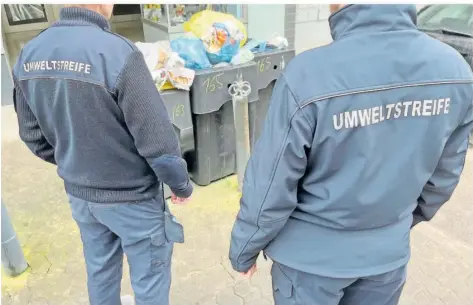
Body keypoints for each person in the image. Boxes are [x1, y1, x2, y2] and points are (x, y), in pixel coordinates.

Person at [229, 4, 473, 305]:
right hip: (386, 258)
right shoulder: (456, 72)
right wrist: (390, 228)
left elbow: (271, 182)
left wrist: (244, 248)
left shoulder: (308, 75)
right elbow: (443, 178)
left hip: (310, 265)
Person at [12, 4, 192, 305]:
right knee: (150, 281)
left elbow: (32, 136)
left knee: (100, 273)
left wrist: (75, 159)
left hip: (82, 197)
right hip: (133, 199)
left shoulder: (29, 53)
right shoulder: (118, 53)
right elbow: (159, 143)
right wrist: (180, 184)